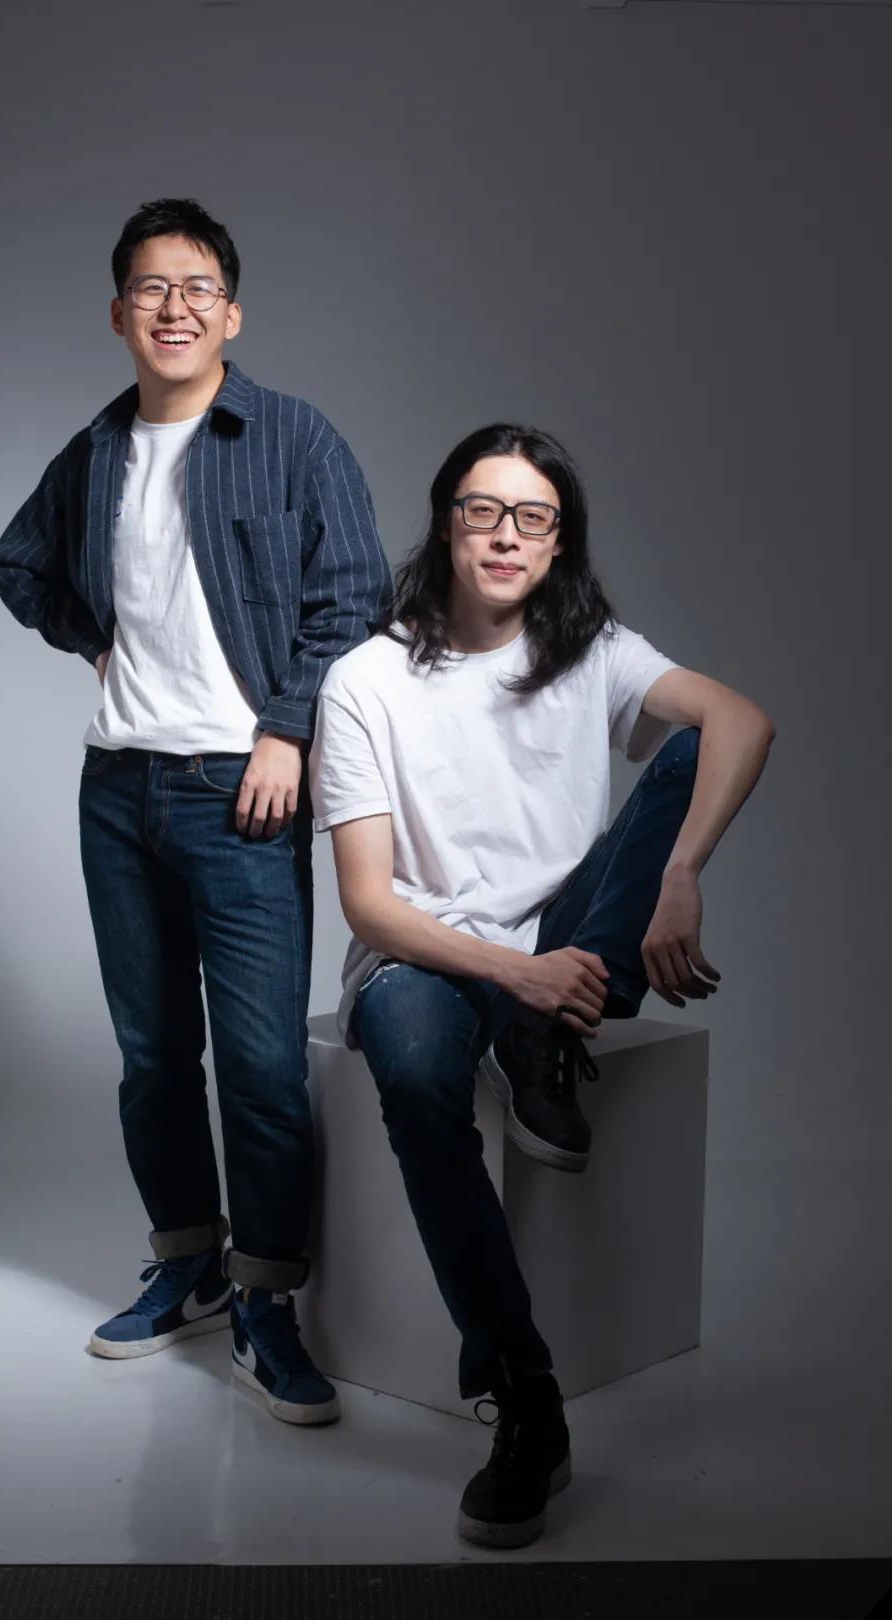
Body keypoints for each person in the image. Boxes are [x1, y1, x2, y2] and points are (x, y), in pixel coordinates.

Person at [309, 422, 774, 1538]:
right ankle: (525, 1396)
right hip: (426, 953)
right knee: (417, 1077)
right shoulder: (366, 678)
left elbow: (742, 721)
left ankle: (538, 1040)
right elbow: (371, 904)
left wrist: (680, 876)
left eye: (534, 516)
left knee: (688, 754)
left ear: (560, 540)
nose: (506, 535)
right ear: (447, 523)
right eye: (483, 510)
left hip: (570, 937)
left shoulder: (592, 651)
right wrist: (515, 973)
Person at [0, 198, 391, 1425]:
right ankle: (190, 1265)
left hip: (240, 792)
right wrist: (94, 642)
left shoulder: (293, 437)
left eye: (197, 286)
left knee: (259, 1065)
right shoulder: (97, 449)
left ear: (233, 313)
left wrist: (286, 729)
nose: (175, 307)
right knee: (155, 1056)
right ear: (119, 313)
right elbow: (20, 564)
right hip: (118, 789)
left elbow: (356, 598)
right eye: (152, 289)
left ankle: (266, 1300)